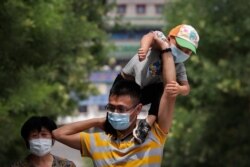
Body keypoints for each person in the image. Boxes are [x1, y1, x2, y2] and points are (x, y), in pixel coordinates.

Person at [52, 44, 177, 166]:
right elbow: (58, 134)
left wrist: (166, 49)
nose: (115, 113)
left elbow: (169, 92)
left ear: (138, 109)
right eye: (111, 108)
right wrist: (97, 121)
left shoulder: (154, 135)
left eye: (121, 109)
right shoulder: (97, 141)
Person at [118, 24, 200, 143]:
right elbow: (149, 36)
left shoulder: (179, 67)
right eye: (180, 46)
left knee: (165, 90)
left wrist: (179, 89)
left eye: (187, 51)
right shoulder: (160, 44)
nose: (183, 52)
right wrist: (144, 48)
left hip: (145, 92)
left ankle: (146, 124)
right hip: (129, 85)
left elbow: (186, 88)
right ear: (169, 39)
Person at [11, 116, 76, 167]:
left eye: (44, 134)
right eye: (34, 135)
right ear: (27, 140)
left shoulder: (67, 165)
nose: (39, 139)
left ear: (53, 138)